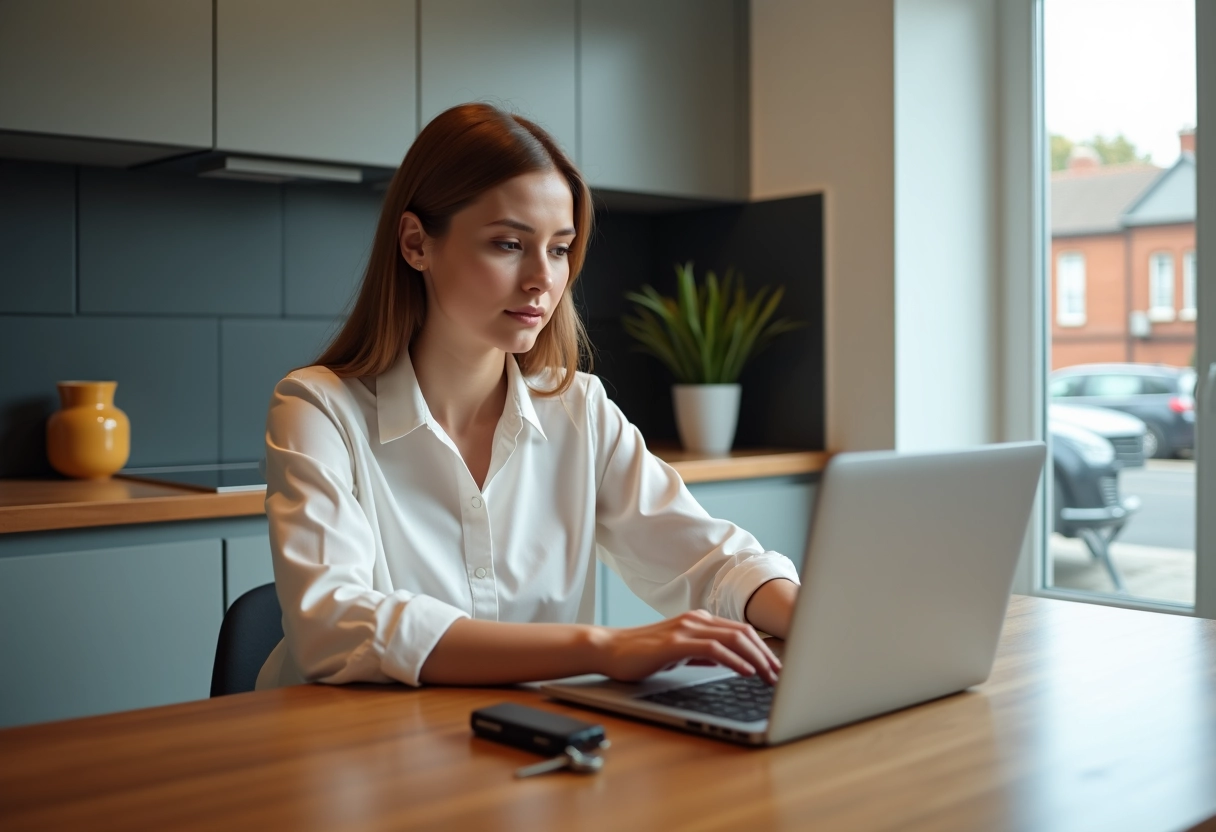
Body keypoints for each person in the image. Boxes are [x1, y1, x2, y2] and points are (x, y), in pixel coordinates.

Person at [255, 103, 800, 691]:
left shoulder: (578, 409)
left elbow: (713, 562)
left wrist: (820, 625)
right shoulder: (318, 409)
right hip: (355, 755)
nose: (542, 278)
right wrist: (603, 647)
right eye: (509, 244)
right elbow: (334, 624)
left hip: (527, 746)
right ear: (416, 244)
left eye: (560, 249)